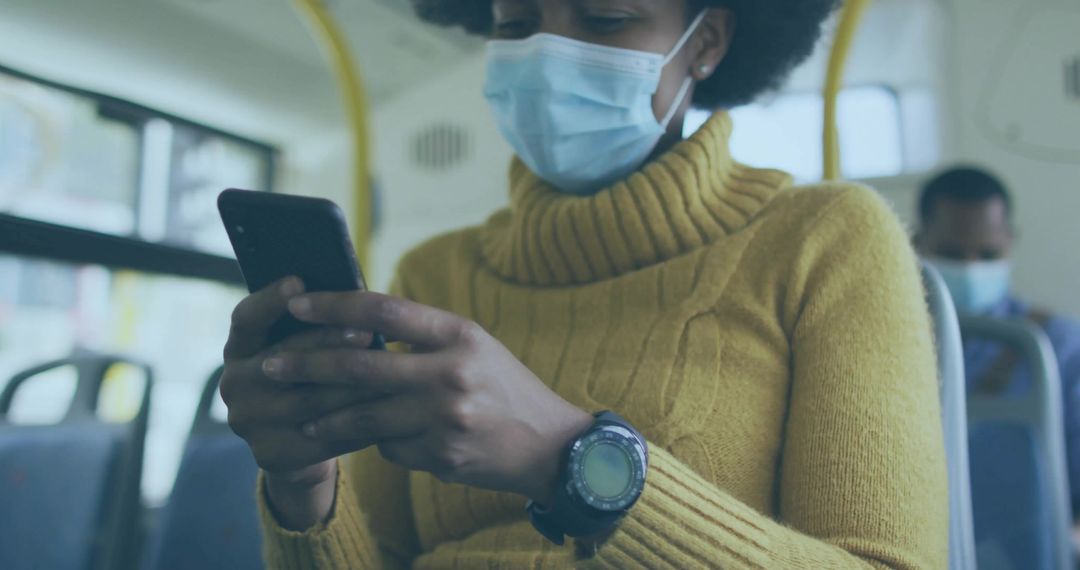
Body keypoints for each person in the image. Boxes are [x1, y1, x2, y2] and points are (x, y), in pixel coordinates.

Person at [220, 1, 948, 567]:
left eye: (605, 17)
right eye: (516, 23)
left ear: (706, 41)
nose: (548, 53)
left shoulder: (825, 239)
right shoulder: (431, 275)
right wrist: (305, 488)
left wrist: (570, 461)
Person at [916, 166, 1080, 552]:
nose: (972, 267)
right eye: (952, 254)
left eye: (988, 254)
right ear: (918, 242)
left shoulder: (1057, 345)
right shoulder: (884, 345)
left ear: (1011, 241)